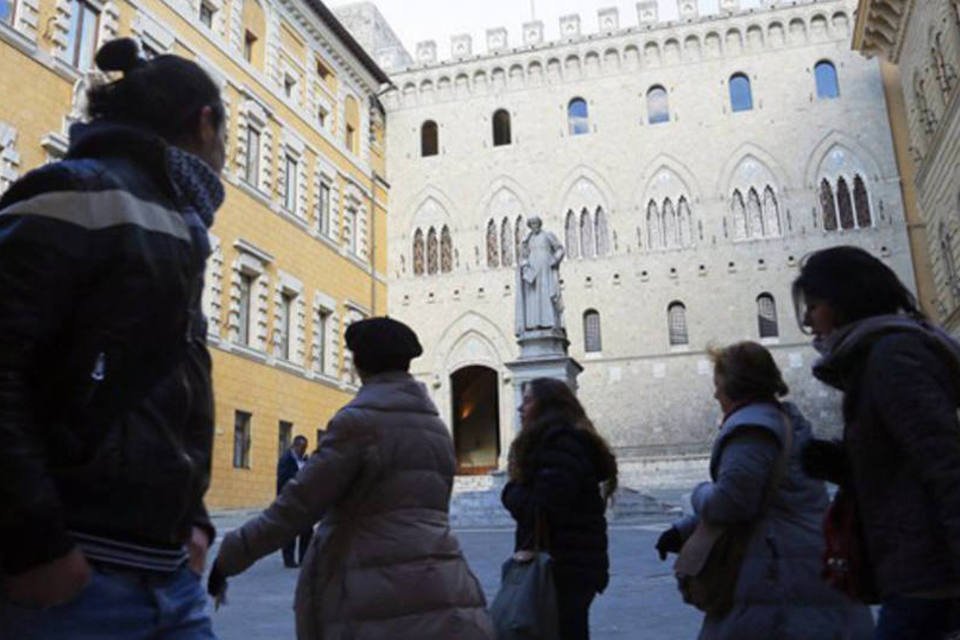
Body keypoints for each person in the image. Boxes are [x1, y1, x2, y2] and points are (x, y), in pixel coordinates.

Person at [0, 38, 225, 638]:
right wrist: (36, 546)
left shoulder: (178, 226)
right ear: (205, 125)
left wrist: (193, 519)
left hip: (165, 574)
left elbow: (165, 391)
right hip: (78, 582)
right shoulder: (77, 192)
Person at [209, 317, 494, 639]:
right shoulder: (438, 430)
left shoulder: (357, 424)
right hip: (445, 585)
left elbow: (297, 506)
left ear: (358, 363)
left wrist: (230, 555)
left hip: (373, 595)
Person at [793, 246, 960, 639]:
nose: (807, 319)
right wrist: (842, 463)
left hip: (927, 578)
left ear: (843, 302)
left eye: (813, 306)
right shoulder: (879, 356)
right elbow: (902, 458)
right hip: (916, 572)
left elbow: (943, 461)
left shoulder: (892, 356)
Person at [655, 341, 874, 640]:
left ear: (735, 385)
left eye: (718, 384)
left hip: (776, 572)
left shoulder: (751, 430)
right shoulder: (781, 421)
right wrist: (683, 531)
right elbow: (764, 498)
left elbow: (732, 503)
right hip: (800, 560)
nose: (715, 393)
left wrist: (697, 494)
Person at [502, 377, 618, 640]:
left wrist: (511, 491)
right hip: (573, 565)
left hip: (561, 568)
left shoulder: (558, 444)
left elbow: (543, 506)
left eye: (528, 400)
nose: (520, 408)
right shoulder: (569, 442)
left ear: (546, 406)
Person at [515, 216, 565, 335]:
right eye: (532, 224)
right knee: (533, 299)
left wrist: (554, 260)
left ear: (539, 224)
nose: (534, 226)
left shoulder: (548, 236)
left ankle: (551, 323)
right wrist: (525, 266)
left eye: (536, 223)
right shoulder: (527, 240)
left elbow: (560, 249)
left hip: (546, 271)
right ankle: (534, 324)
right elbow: (523, 256)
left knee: (547, 295)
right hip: (533, 274)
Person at [277, 435, 312, 568]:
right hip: (290, 500)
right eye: (302, 448)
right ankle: (289, 560)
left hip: (305, 501)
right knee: (290, 531)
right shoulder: (286, 459)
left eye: (305, 448)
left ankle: (304, 558)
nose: (303, 450)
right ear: (295, 446)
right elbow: (282, 480)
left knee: (307, 531)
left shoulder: (306, 460)